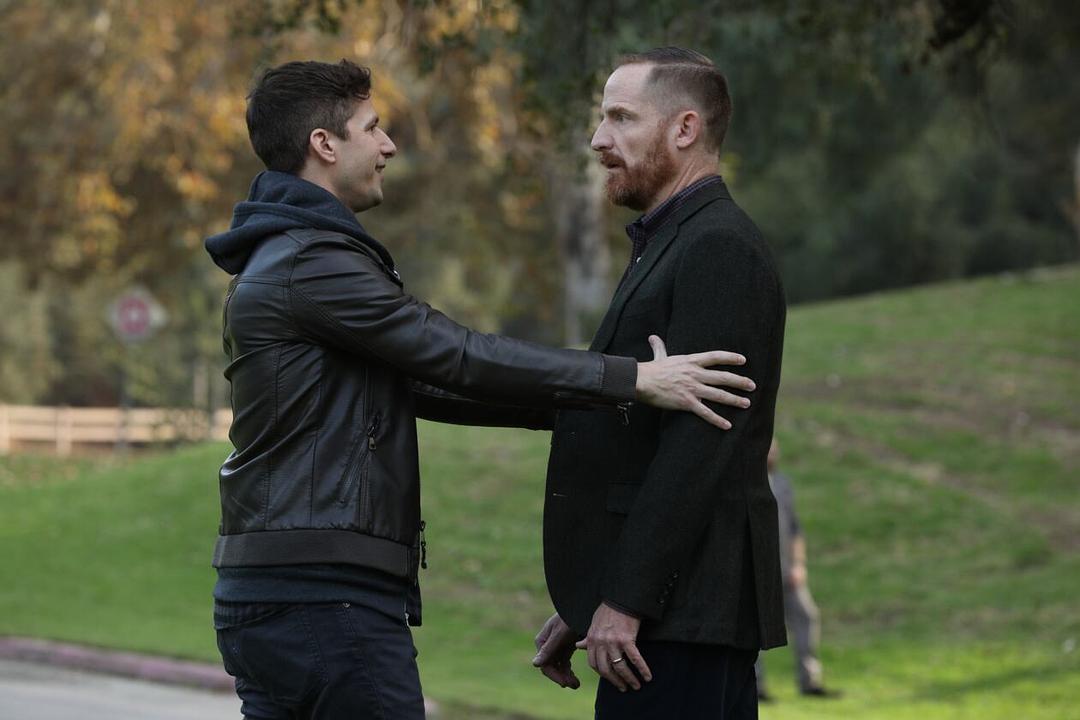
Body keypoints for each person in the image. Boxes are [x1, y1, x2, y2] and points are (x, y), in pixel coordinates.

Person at [204, 59, 758, 720]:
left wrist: (606, 404)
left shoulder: (283, 254)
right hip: (322, 592)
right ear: (324, 145)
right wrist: (632, 379)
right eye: (372, 128)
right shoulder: (311, 261)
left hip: (275, 588)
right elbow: (454, 354)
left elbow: (426, 383)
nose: (388, 146)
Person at [531, 47, 787, 719]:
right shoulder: (672, 240)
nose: (599, 139)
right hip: (665, 619)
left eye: (621, 118)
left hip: (681, 618)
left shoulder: (717, 247)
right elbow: (638, 437)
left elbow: (699, 443)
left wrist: (626, 599)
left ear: (684, 129)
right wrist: (591, 598)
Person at [755, 439, 839, 701]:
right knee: (753, 627)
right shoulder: (748, 483)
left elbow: (795, 529)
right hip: (758, 573)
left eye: (775, 450)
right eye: (768, 448)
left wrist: (799, 565)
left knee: (807, 616)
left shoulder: (782, 483)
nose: (772, 454)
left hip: (786, 571)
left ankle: (809, 681)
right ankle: (755, 687)